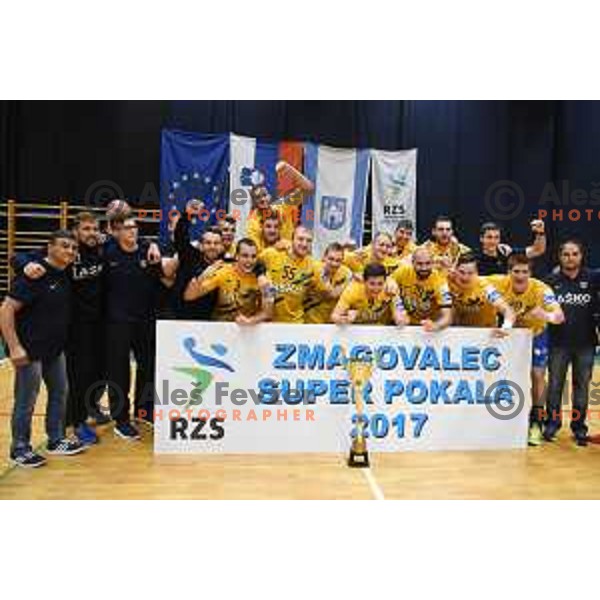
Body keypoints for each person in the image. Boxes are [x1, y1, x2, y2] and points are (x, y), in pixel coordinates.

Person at [0, 230, 86, 467]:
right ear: (49, 247)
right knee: (27, 399)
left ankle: (55, 439)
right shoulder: (33, 274)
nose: (70, 251)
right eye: (64, 246)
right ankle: (20, 447)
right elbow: (6, 310)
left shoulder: (64, 273)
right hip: (29, 351)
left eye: (73, 248)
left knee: (60, 393)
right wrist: (14, 347)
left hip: (54, 350)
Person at [104, 215, 177, 440]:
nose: (132, 231)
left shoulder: (148, 251)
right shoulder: (107, 252)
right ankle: (121, 418)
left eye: (134, 227)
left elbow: (166, 276)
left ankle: (144, 412)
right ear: (115, 231)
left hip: (145, 321)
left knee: (148, 368)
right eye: (126, 228)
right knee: (119, 372)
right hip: (117, 323)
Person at [486, 254, 565, 446]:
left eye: (524, 272)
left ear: (531, 273)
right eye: (516, 271)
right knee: (503, 375)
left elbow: (560, 316)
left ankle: (536, 422)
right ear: (509, 272)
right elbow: (472, 279)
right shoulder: (497, 282)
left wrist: (544, 314)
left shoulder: (540, 288)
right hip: (510, 335)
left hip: (535, 334)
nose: (520, 276)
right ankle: (501, 419)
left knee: (537, 376)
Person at [543, 240, 600, 446]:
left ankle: (579, 428)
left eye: (574, 254)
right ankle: (552, 424)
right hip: (558, 343)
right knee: (555, 386)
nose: (570, 258)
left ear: (581, 256)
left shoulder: (593, 278)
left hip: (585, 343)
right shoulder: (551, 280)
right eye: (566, 254)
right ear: (560, 257)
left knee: (581, 388)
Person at [184, 238, 274, 324]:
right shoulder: (223, 272)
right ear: (237, 256)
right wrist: (201, 277)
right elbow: (189, 296)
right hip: (221, 328)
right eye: (245, 256)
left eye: (253, 256)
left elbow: (268, 312)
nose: (249, 261)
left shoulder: (264, 278)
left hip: (248, 329)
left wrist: (250, 321)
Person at [259, 226, 332, 323]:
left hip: (295, 324)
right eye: (300, 239)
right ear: (292, 239)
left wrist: (328, 272)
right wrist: (262, 277)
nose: (304, 244)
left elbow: (328, 292)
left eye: (309, 241)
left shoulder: (314, 266)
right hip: (267, 323)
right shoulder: (271, 254)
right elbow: (250, 265)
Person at [388, 247, 453, 332]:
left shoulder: (440, 282)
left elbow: (447, 317)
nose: (424, 268)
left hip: (427, 329)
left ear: (433, 263)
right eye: (419, 264)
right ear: (412, 263)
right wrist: (397, 311)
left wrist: (436, 326)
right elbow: (388, 280)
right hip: (404, 327)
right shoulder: (403, 271)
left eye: (428, 263)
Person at [448, 254, 515, 329]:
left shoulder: (485, 288)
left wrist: (506, 327)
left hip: (485, 333)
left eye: (470, 273)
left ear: (477, 273)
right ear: (455, 270)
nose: (465, 277)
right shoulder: (449, 282)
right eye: (461, 272)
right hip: (456, 333)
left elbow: (507, 310)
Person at [332, 263, 407, 326]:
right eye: (372, 284)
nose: (376, 288)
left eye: (380, 284)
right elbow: (334, 316)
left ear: (385, 281)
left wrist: (400, 319)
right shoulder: (352, 290)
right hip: (357, 331)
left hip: (381, 331)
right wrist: (345, 319)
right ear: (364, 282)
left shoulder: (391, 289)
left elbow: (403, 318)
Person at [474, 220, 546, 276]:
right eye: (489, 237)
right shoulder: (474, 259)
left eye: (496, 237)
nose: (493, 241)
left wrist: (540, 233)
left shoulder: (506, 252)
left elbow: (537, 250)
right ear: (481, 238)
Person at [304, 242, 353, 324]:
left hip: (332, 324)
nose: (334, 263)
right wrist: (348, 283)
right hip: (311, 322)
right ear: (324, 257)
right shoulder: (315, 269)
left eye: (338, 260)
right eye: (331, 259)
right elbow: (332, 294)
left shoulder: (346, 273)